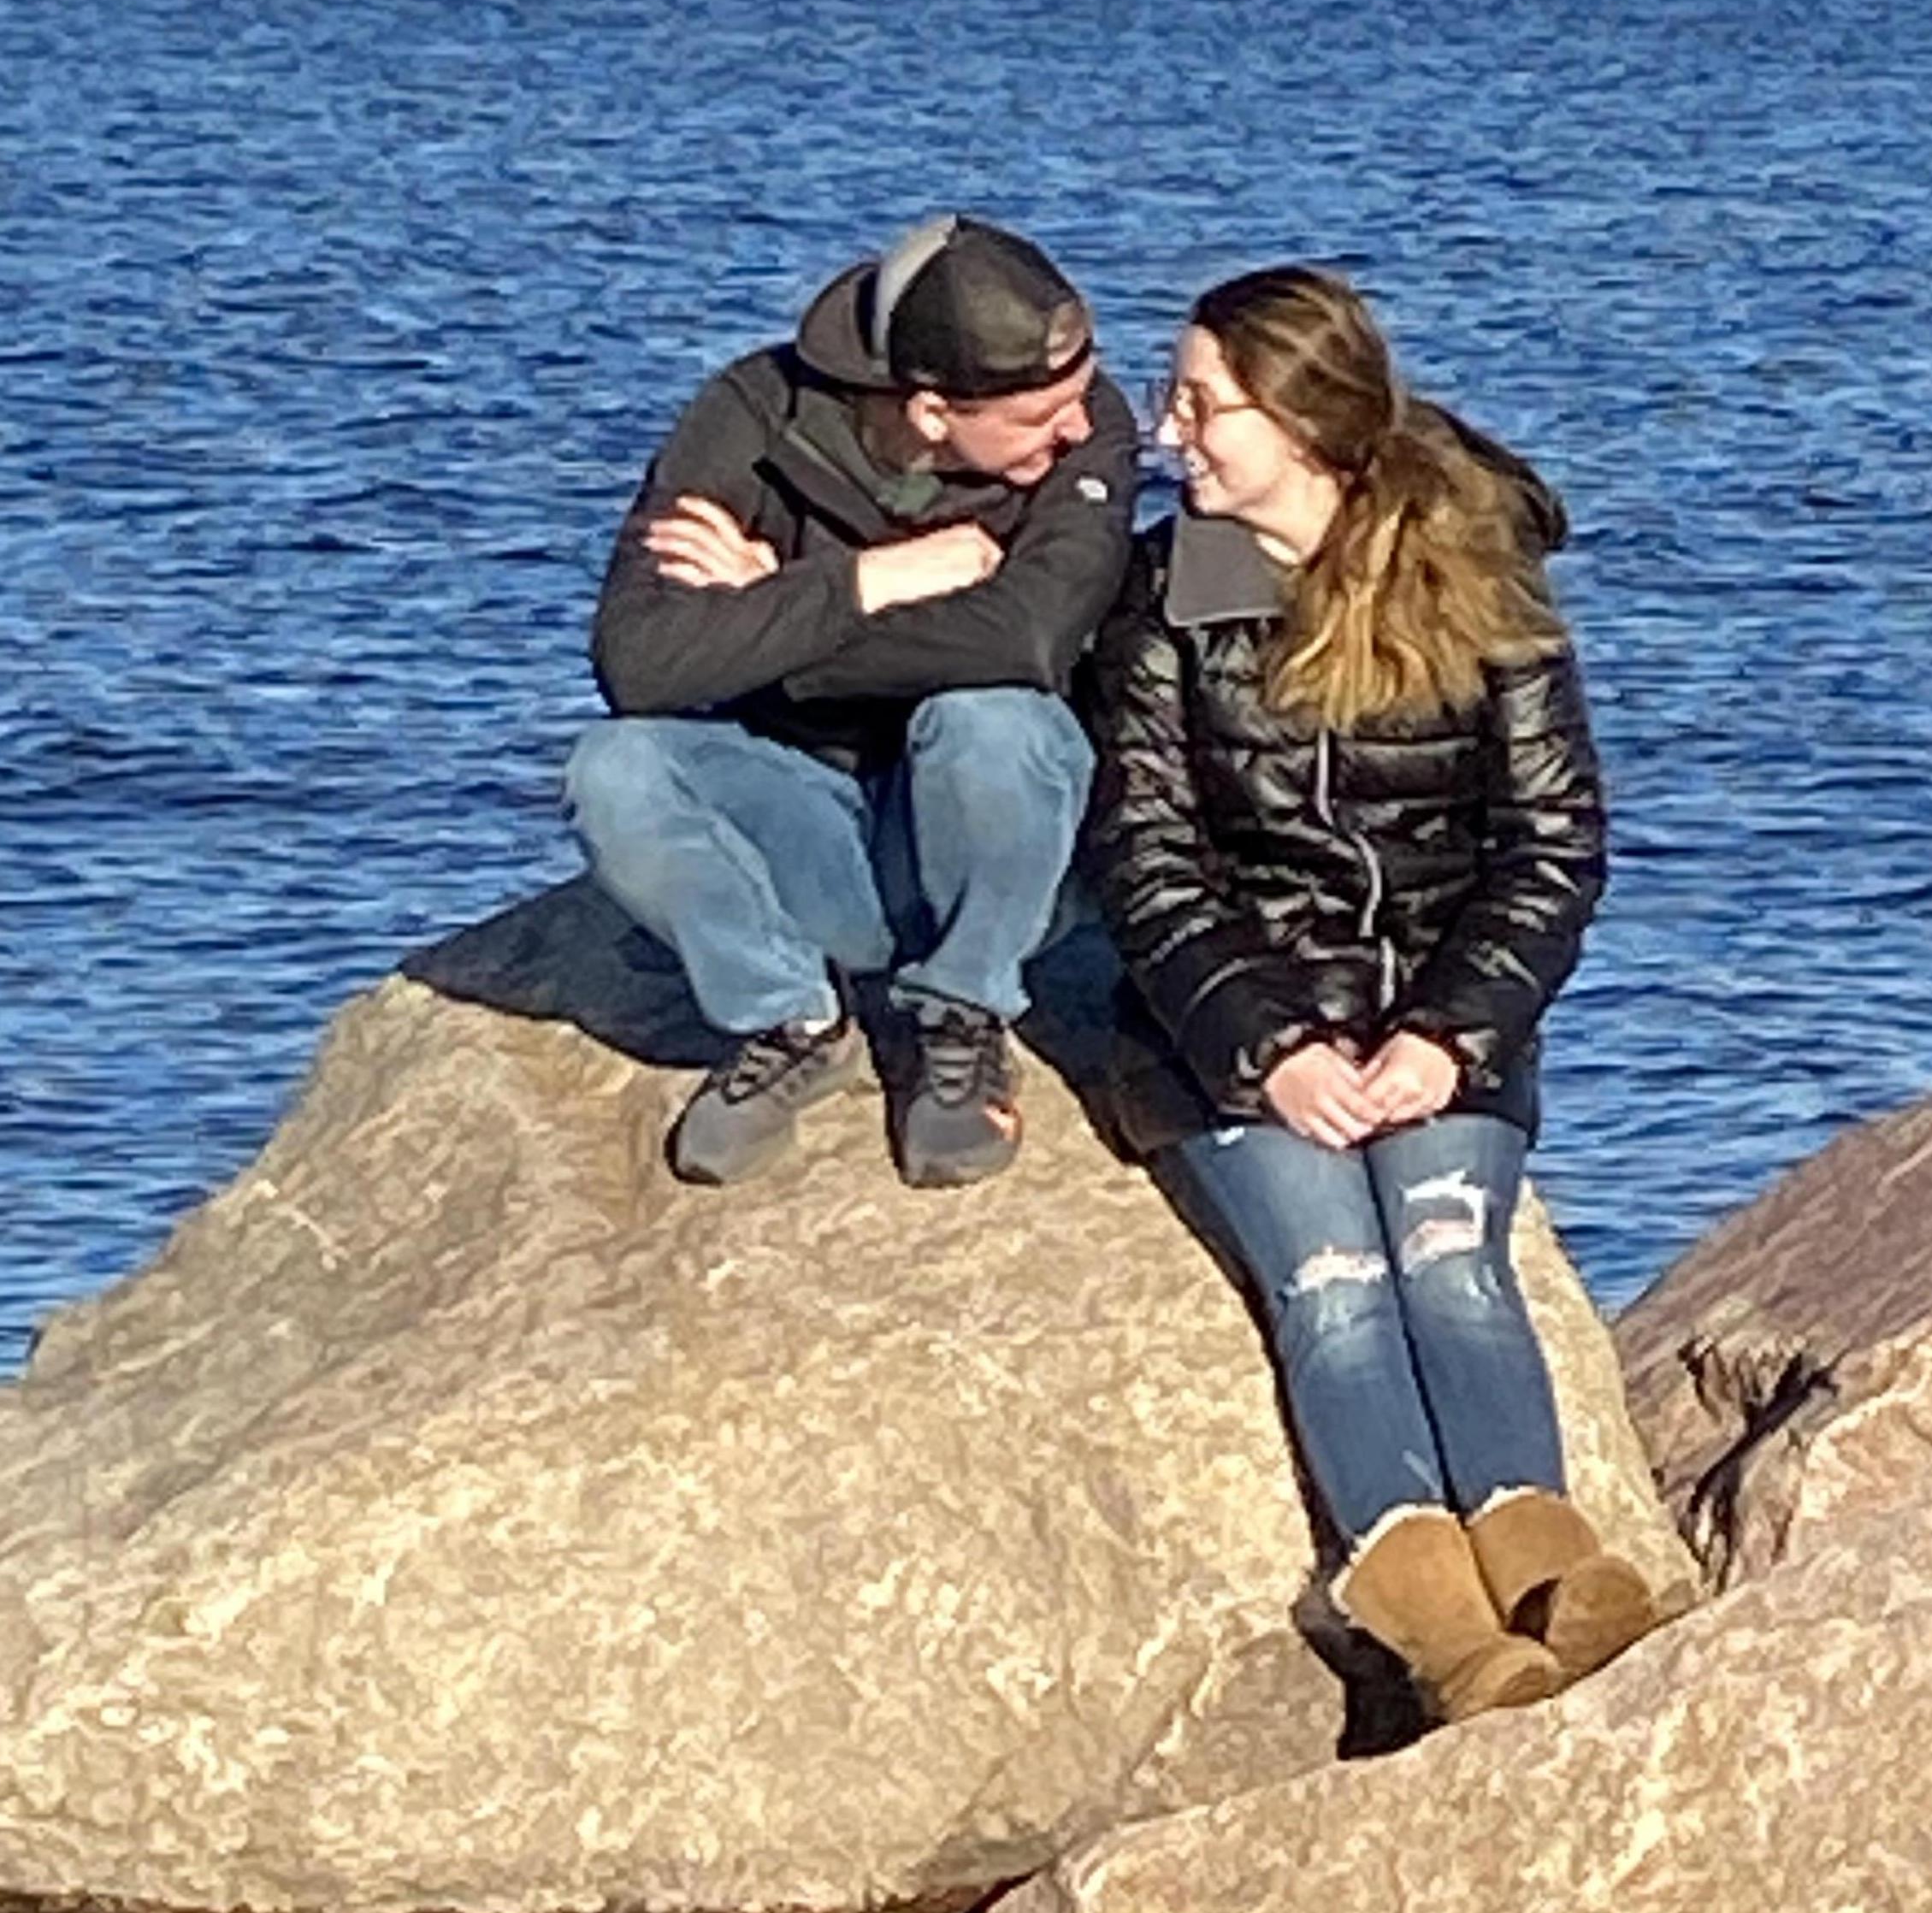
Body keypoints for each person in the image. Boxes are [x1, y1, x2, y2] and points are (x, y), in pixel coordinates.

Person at [1087, 264, 1654, 1729]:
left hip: (1436, 1015)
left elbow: (1551, 847)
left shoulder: (1479, 576)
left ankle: (1551, 1565)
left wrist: (1448, 1037)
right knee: (1334, 1282)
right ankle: (1437, 1623)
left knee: (1448, 1252)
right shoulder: (1164, 594)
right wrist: (1267, 1045)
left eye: (1200, 404)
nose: (1168, 430)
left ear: (1301, 419)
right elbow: (1144, 861)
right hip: (1226, 1031)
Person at [568, 217, 1137, 1190]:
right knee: (611, 770)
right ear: (931, 411)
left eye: (1080, 397)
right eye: (1044, 414)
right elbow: (641, 664)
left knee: (992, 718)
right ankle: (791, 1019)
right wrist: (861, 582)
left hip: (997, 845)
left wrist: (765, 614)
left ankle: (963, 1013)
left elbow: (1027, 640)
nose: (1081, 427)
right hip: (810, 820)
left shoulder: (1088, 436)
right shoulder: (753, 412)